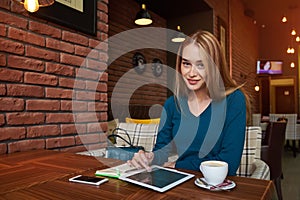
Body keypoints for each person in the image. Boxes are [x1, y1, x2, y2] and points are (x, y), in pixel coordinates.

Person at [128, 30, 250, 176]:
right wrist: (149, 157)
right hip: (182, 183)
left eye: (201, 65)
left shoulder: (234, 100)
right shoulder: (172, 105)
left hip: (217, 187)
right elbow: (162, 151)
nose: (191, 73)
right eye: (186, 64)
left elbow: (229, 163)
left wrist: (179, 165)